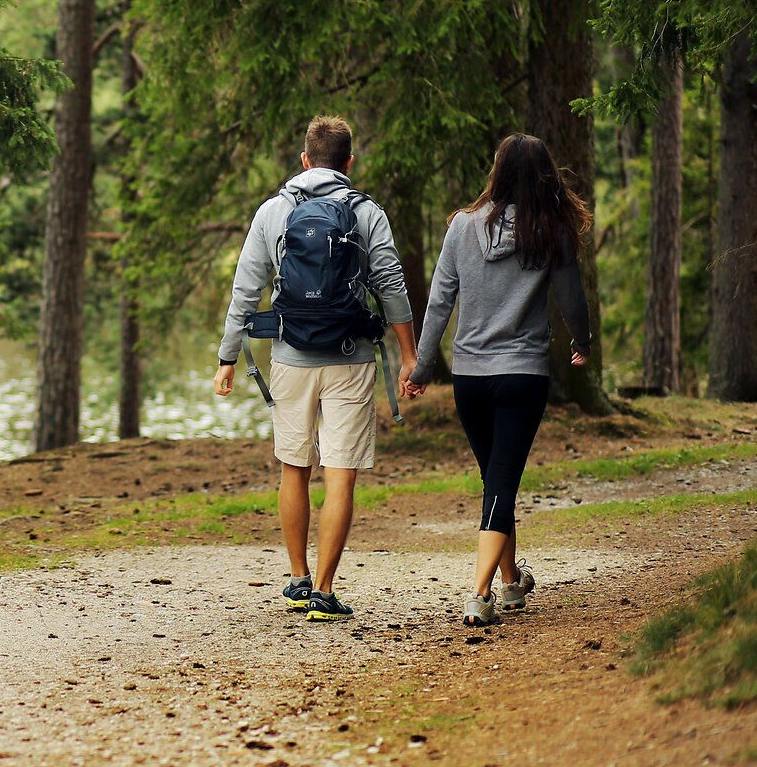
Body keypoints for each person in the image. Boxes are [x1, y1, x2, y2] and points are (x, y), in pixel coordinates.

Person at [215, 115, 418, 621]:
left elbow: (246, 288)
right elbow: (391, 285)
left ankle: (299, 576)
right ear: (349, 162)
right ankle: (326, 593)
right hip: (350, 357)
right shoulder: (366, 212)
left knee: (294, 467)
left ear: (304, 160)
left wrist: (226, 357)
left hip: (290, 355)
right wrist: (410, 356)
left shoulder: (273, 211)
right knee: (340, 473)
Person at [401, 133, 593, 627]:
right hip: (522, 376)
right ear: (544, 178)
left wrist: (423, 367)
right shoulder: (551, 231)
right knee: (502, 481)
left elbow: (441, 300)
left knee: (495, 479)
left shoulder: (461, 228)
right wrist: (582, 341)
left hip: (469, 378)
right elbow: (572, 298)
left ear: (498, 173)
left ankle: (511, 583)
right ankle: (479, 592)